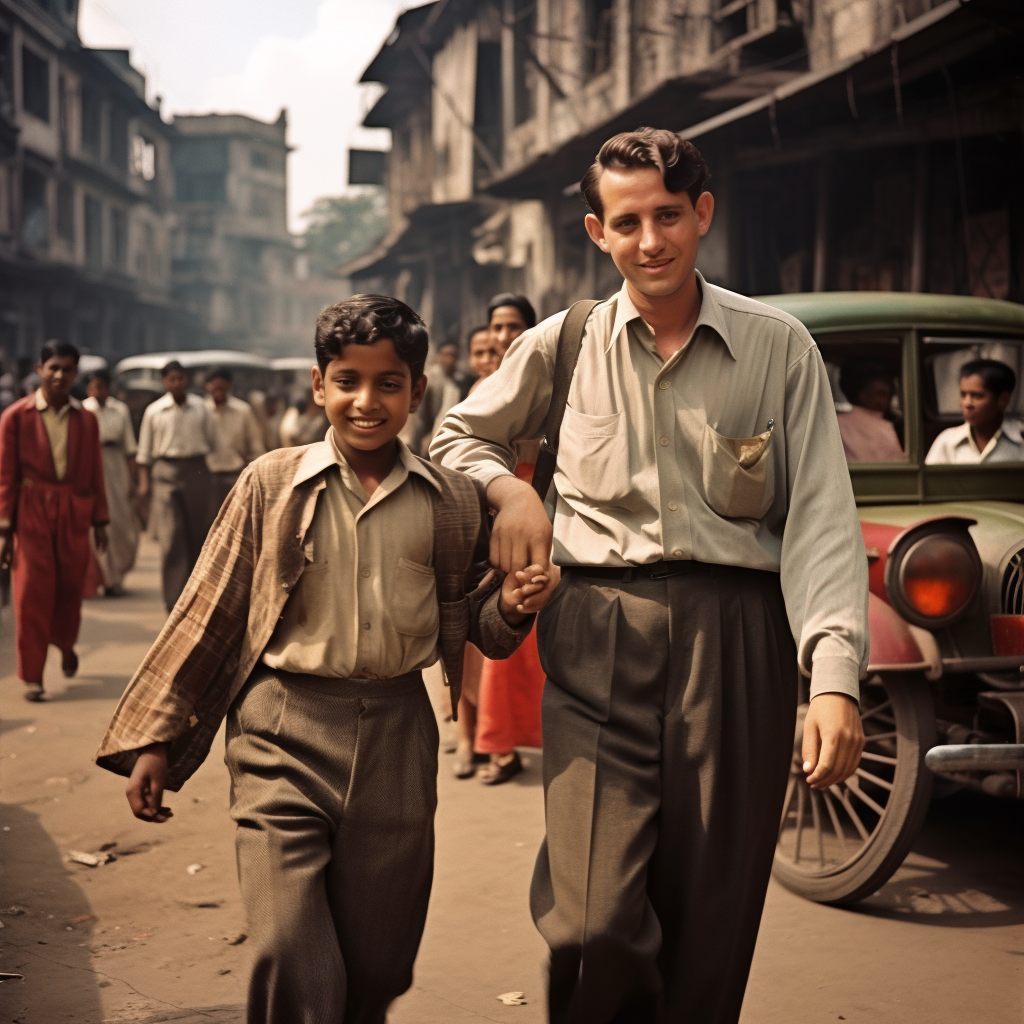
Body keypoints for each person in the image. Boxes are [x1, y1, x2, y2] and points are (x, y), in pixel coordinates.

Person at [432, 128, 868, 1024]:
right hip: (597, 633)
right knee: (591, 923)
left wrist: (834, 681)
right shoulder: (565, 342)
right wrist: (510, 499)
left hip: (738, 640)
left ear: (702, 215)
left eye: (668, 215)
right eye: (626, 222)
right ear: (598, 233)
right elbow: (454, 437)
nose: (651, 241)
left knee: (713, 912)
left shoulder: (778, 347)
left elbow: (821, 521)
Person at [95, 293, 555, 1024]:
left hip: (399, 741)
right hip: (281, 732)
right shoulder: (270, 484)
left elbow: (481, 633)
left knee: (378, 964)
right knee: (291, 952)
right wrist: (156, 737)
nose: (366, 401)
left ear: (417, 392)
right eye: (347, 380)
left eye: (388, 383)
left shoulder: (453, 502)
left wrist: (518, 603)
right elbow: (208, 611)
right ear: (319, 386)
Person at [0, 340, 108, 701]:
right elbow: (5, 476)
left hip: (72, 511)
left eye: (67, 369)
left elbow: (95, 472)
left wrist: (101, 521)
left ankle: (64, 644)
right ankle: (32, 675)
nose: (60, 375)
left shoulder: (87, 420)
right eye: (54, 368)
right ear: (40, 370)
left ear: (76, 373)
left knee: (69, 588)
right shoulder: (15, 417)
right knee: (31, 590)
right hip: (30, 511)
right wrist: (4, 527)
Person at [137, 360, 217, 612]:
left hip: (196, 470)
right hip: (165, 471)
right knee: (172, 537)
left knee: (198, 535)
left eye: (180, 378)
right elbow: (144, 451)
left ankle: (196, 597)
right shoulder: (154, 411)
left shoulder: (202, 407)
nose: (176, 383)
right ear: (164, 382)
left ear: (187, 380)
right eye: (171, 379)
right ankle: (173, 602)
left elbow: (212, 441)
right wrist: (144, 482)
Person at [84, 369, 140, 596]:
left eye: (102, 386)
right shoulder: (82, 410)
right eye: (94, 387)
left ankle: (115, 577)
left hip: (115, 465)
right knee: (92, 524)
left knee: (117, 522)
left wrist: (133, 479)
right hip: (89, 464)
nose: (98, 391)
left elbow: (130, 447)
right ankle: (99, 578)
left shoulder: (120, 410)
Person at [926, 357, 1023, 464]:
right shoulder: (947, 441)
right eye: (963, 395)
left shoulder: (1020, 440)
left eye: (977, 396)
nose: (967, 403)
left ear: (1003, 399)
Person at [204, 368, 267, 510]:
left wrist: (260, 471)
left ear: (229, 386)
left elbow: (255, 442)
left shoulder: (243, 410)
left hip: (236, 475)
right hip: (208, 477)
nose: (219, 391)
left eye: (222, 387)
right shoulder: (201, 411)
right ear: (207, 386)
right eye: (215, 387)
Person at [411, 336, 475, 456]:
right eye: (446, 355)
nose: (450, 359)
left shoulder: (460, 380)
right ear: (438, 356)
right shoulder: (430, 380)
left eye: (453, 355)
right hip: (429, 438)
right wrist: (416, 449)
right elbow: (420, 419)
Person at [836, 359, 905, 463]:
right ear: (862, 395)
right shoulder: (883, 428)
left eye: (890, 392)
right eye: (881, 393)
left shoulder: (837, 422)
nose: (889, 397)